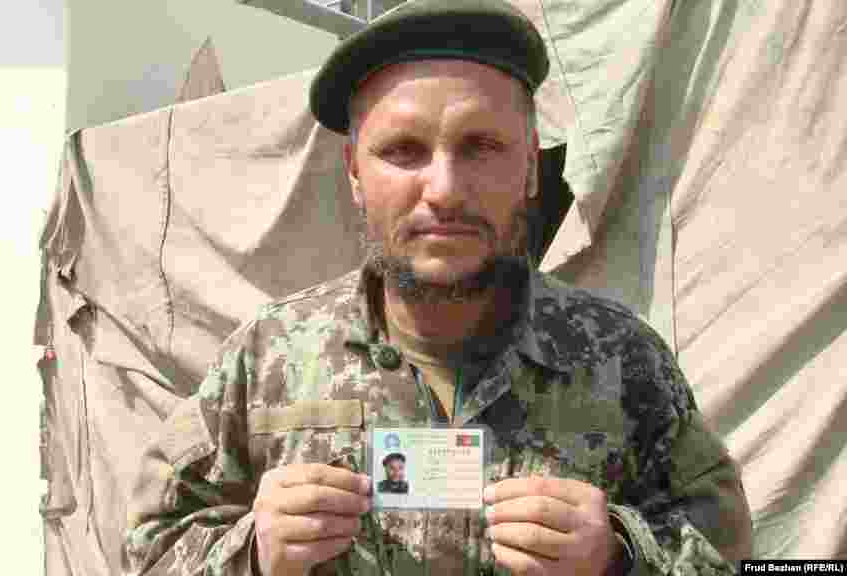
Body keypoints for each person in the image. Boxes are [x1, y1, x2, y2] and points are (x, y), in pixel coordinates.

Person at [123, 1, 754, 575]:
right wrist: (252, 555)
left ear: (530, 166)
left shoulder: (624, 363)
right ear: (353, 173)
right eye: (404, 150)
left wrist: (618, 555)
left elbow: (729, 555)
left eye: (481, 147)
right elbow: (147, 552)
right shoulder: (266, 361)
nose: (445, 190)